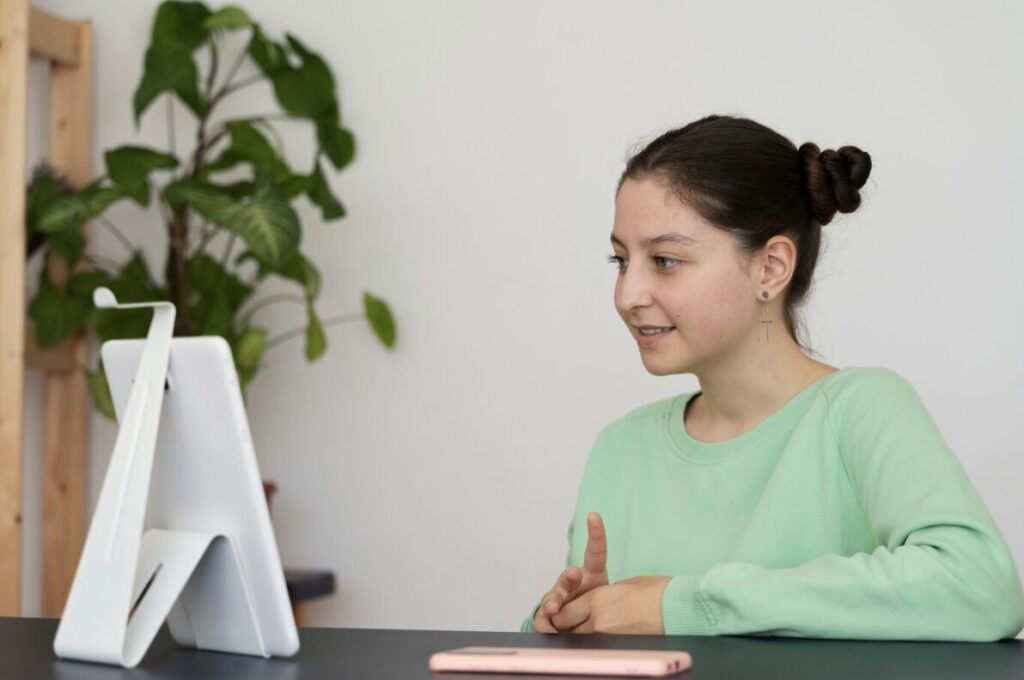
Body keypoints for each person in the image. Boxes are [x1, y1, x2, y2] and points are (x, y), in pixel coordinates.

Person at [522, 114, 1024, 640]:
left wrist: (686, 605)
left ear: (770, 268)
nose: (628, 295)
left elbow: (981, 587)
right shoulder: (620, 447)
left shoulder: (860, 409)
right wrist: (564, 622)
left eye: (666, 260)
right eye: (621, 260)